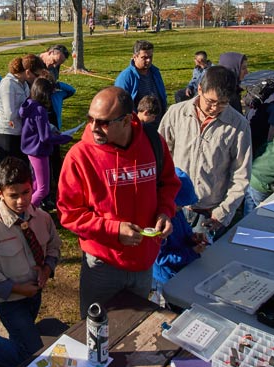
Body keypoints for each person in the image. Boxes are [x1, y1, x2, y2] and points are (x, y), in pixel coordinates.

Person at [57, 87, 180, 318]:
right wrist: (114, 230)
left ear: (126, 120)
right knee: (95, 332)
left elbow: (168, 184)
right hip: (102, 266)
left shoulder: (153, 142)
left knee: (133, 326)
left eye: (103, 122)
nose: (93, 127)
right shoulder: (79, 156)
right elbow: (69, 213)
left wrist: (165, 212)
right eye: (90, 119)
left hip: (144, 264)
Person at [0, 157, 62, 367]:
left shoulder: (42, 218)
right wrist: (18, 289)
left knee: (21, 341)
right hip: (9, 301)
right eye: (13, 195)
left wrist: (47, 269)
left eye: (26, 192)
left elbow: (54, 247)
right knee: (31, 356)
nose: (21, 201)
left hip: (34, 296)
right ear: (0, 193)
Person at [158, 66, 252, 240]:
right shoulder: (176, 113)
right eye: (210, 101)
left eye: (223, 103)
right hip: (174, 208)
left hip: (209, 214)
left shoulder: (238, 125)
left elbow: (241, 174)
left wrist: (222, 213)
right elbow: (158, 157)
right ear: (199, 89)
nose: (215, 108)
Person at [151, 168, 205, 305]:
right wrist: (191, 252)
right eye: (180, 205)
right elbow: (161, 259)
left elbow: (184, 232)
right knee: (173, 305)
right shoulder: (158, 225)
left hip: (183, 270)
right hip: (167, 279)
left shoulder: (177, 213)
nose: (182, 209)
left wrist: (192, 238)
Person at [19, 77, 73, 209]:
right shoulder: (40, 110)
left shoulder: (29, 104)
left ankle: (33, 209)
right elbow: (45, 138)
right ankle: (27, 211)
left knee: (37, 184)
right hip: (39, 151)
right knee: (44, 189)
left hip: (31, 149)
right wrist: (64, 138)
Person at [0, 54, 46, 161]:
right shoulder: (8, 84)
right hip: (8, 134)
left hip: (21, 132)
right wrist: (28, 110)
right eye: (36, 75)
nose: (37, 79)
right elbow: (10, 114)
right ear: (27, 72)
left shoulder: (24, 84)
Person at [114, 40, 168, 117]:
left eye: (150, 57)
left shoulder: (155, 72)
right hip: (139, 125)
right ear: (135, 57)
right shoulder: (125, 77)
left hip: (160, 122)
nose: (148, 60)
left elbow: (163, 96)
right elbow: (121, 106)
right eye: (144, 57)